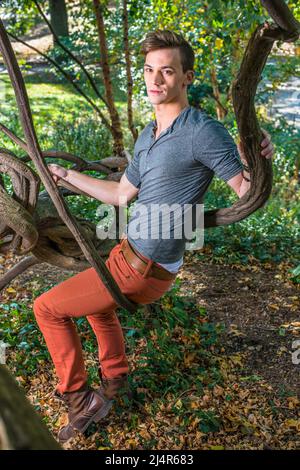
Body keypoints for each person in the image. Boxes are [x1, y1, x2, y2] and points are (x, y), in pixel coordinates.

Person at [33, 30, 274, 443]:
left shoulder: (202, 131)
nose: (156, 80)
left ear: (186, 77)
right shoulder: (147, 134)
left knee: (47, 308)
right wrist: (68, 175)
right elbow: (123, 194)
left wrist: (257, 151)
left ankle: (78, 399)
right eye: (149, 70)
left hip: (144, 268)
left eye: (167, 71)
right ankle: (115, 381)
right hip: (128, 256)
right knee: (98, 309)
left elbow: (246, 191)